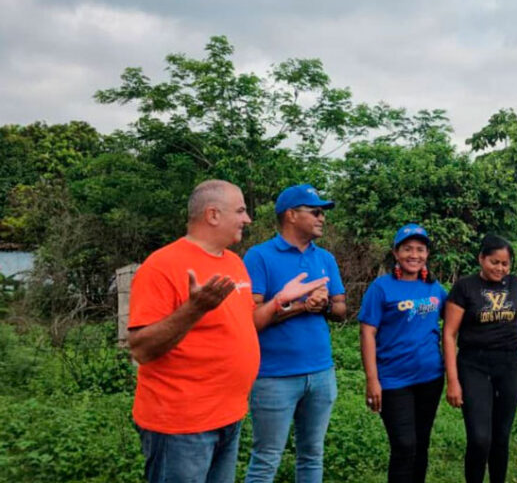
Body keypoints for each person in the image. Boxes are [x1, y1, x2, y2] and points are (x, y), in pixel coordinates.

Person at [127, 180, 327, 483]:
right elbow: (141, 349)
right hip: (182, 425)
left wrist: (279, 302)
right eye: (241, 210)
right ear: (213, 215)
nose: (247, 219)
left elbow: (247, 322)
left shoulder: (233, 263)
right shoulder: (162, 266)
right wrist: (194, 309)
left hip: (229, 417)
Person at [243, 184, 347, 483]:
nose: (322, 218)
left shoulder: (325, 258)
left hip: (321, 373)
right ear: (291, 215)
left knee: (313, 454)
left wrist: (323, 304)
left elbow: (341, 309)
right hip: (273, 376)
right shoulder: (259, 256)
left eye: (323, 213)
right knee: (266, 458)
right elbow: (251, 319)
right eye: (315, 212)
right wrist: (302, 306)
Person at [443, 235, 517, 483]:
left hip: (511, 365)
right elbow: (449, 334)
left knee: (501, 436)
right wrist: (453, 380)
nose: (500, 269)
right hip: (473, 366)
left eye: (505, 264)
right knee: (480, 438)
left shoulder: (515, 284)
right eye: (494, 262)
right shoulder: (465, 287)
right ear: (481, 259)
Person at [359, 223, 448, 483]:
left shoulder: (434, 288)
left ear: (427, 254)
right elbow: (367, 333)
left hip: (430, 378)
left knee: (421, 444)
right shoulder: (381, 287)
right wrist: (372, 379)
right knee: (404, 445)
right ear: (396, 253)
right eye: (407, 249)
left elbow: (455, 322)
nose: (414, 255)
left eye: (420, 249)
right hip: (393, 380)